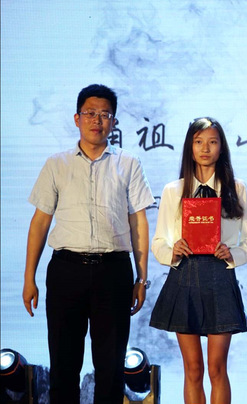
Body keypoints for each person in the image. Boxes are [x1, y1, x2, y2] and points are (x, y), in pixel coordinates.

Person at [22, 84, 155, 404]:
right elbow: (40, 222)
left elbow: (138, 221)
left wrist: (141, 278)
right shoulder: (57, 164)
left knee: (111, 368)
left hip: (114, 271)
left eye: (105, 114)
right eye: (90, 113)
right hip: (66, 270)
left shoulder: (129, 163)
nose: (97, 120)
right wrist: (29, 278)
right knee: (64, 364)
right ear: (77, 118)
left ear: (114, 122)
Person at [149, 117, 247, 404]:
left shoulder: (236, 188)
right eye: (198, 142)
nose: (205, 148)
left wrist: (232, 254)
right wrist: (173, 250)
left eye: (212, 142)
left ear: (222, 147)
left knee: (217, 368)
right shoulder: (173, 190)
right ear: (190, 147)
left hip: (220, 277)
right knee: (193, 369)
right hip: (184, 277)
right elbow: (158, 242)